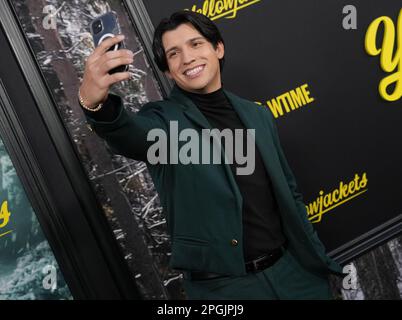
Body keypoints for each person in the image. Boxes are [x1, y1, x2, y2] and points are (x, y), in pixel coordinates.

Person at [78, 10, 343, 300]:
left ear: (218, 48)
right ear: (167, 70)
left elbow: (289, 192)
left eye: (195, 44)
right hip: (225, 290)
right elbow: (129, 135)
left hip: (296, 276)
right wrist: (95, 105)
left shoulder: (257, 114)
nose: (188, 58)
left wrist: (314, 259)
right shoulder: (164, 121)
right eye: (174, 53)